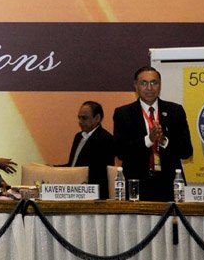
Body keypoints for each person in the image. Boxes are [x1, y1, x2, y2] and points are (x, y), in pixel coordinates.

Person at [113, 66, 194, 201]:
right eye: (144, 83)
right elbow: (120, 151)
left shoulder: (175, 111)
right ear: (136, 86)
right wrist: (149, 140)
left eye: (154, 83)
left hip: (169, 185)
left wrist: (163, 141)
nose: (149, 88)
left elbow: (186, 151)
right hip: (136, 185)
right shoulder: (123, 114)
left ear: (159, 85)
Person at [60, 101, 115, 199]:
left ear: (97, 118)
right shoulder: (78, 137)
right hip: (75, 191)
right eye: (79, 118)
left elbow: (101, 173)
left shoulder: (106, 139)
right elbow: (73, 165)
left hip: (93, 196)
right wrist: (52, 169)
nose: (80, 121)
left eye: (84, 118)